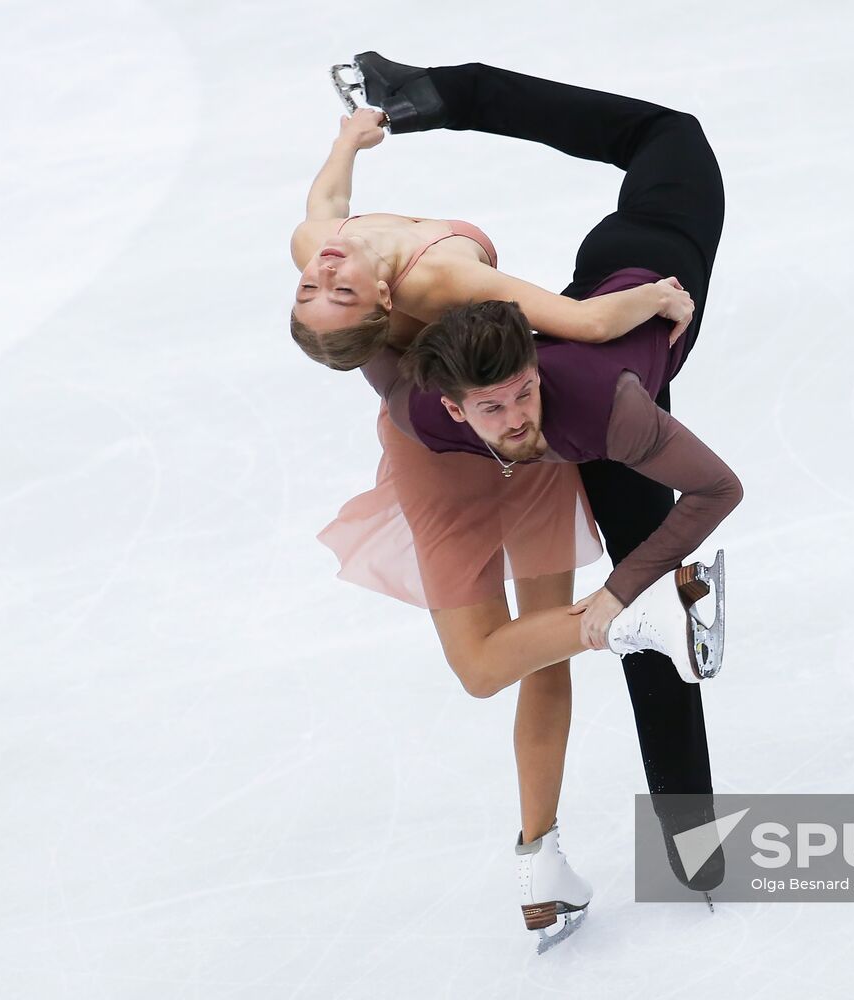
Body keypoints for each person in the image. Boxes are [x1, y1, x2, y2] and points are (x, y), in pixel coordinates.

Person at [290, 57, 736, 938]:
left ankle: (543, 860)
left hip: (455, 431)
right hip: (515, 435)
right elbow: (584, 323)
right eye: (330, 290)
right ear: (382, 300)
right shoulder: (437, 284)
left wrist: (351, 137)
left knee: (517, 657)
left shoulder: (323, 251)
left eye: (317, 287)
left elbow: (323, 210)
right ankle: (642, 632)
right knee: (542, 645)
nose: (323, 274)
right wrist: (659, 298)